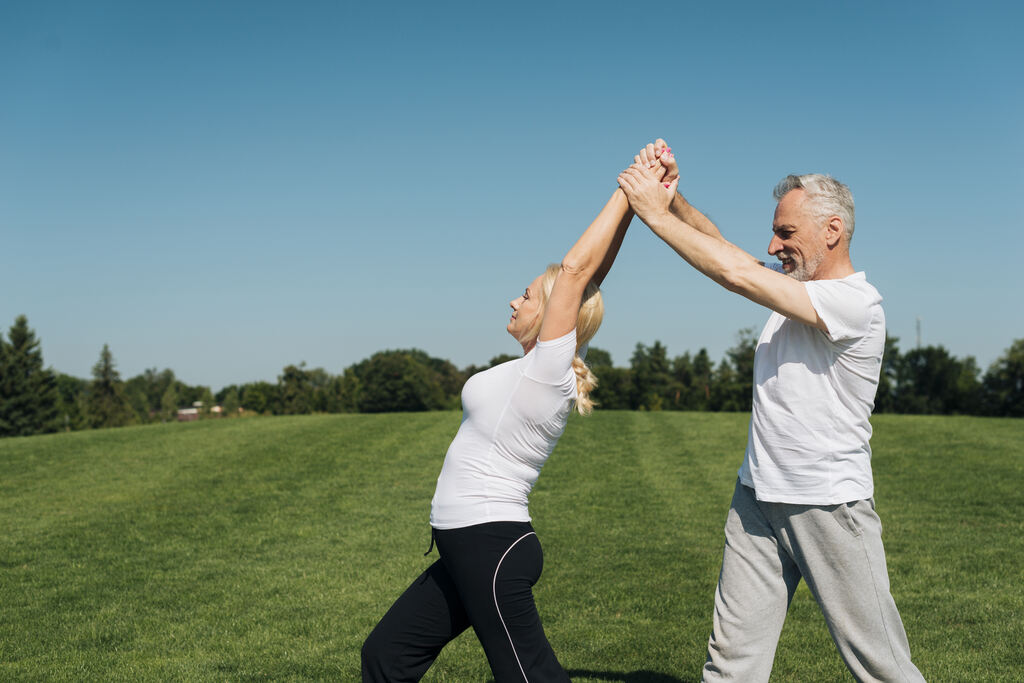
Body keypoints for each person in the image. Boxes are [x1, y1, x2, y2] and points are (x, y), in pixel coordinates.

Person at [617, 141, 925, 683]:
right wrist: (671, 198)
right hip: (756, 498)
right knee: (730, 664)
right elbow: (727, 253)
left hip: (827, 503)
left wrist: (652, 215)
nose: (773, 245)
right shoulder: (795, 290)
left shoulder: (855, 303)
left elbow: (736, 274)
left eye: (785, 233)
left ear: (832, 231)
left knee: (882, 668)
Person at [362, 169, 650, 682]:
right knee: (386, 654)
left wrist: (629, 187)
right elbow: (591, 275)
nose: (514, 301)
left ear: (553, 311)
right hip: (466, 547)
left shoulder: (547, 370)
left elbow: (577, 271)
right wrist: (633, 209)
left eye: (526, 295)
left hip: (489, 543)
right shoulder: (533, 369)